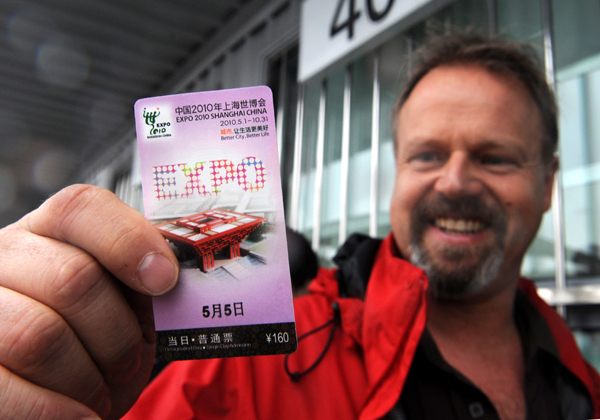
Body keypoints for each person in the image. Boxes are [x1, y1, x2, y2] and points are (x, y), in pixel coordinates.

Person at [0, 32, 599, 420]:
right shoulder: (248, 363)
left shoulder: (585, 379)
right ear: (397, 172)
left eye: (495, 157)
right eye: (427, 155)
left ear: (547, 184)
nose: (454, 182)